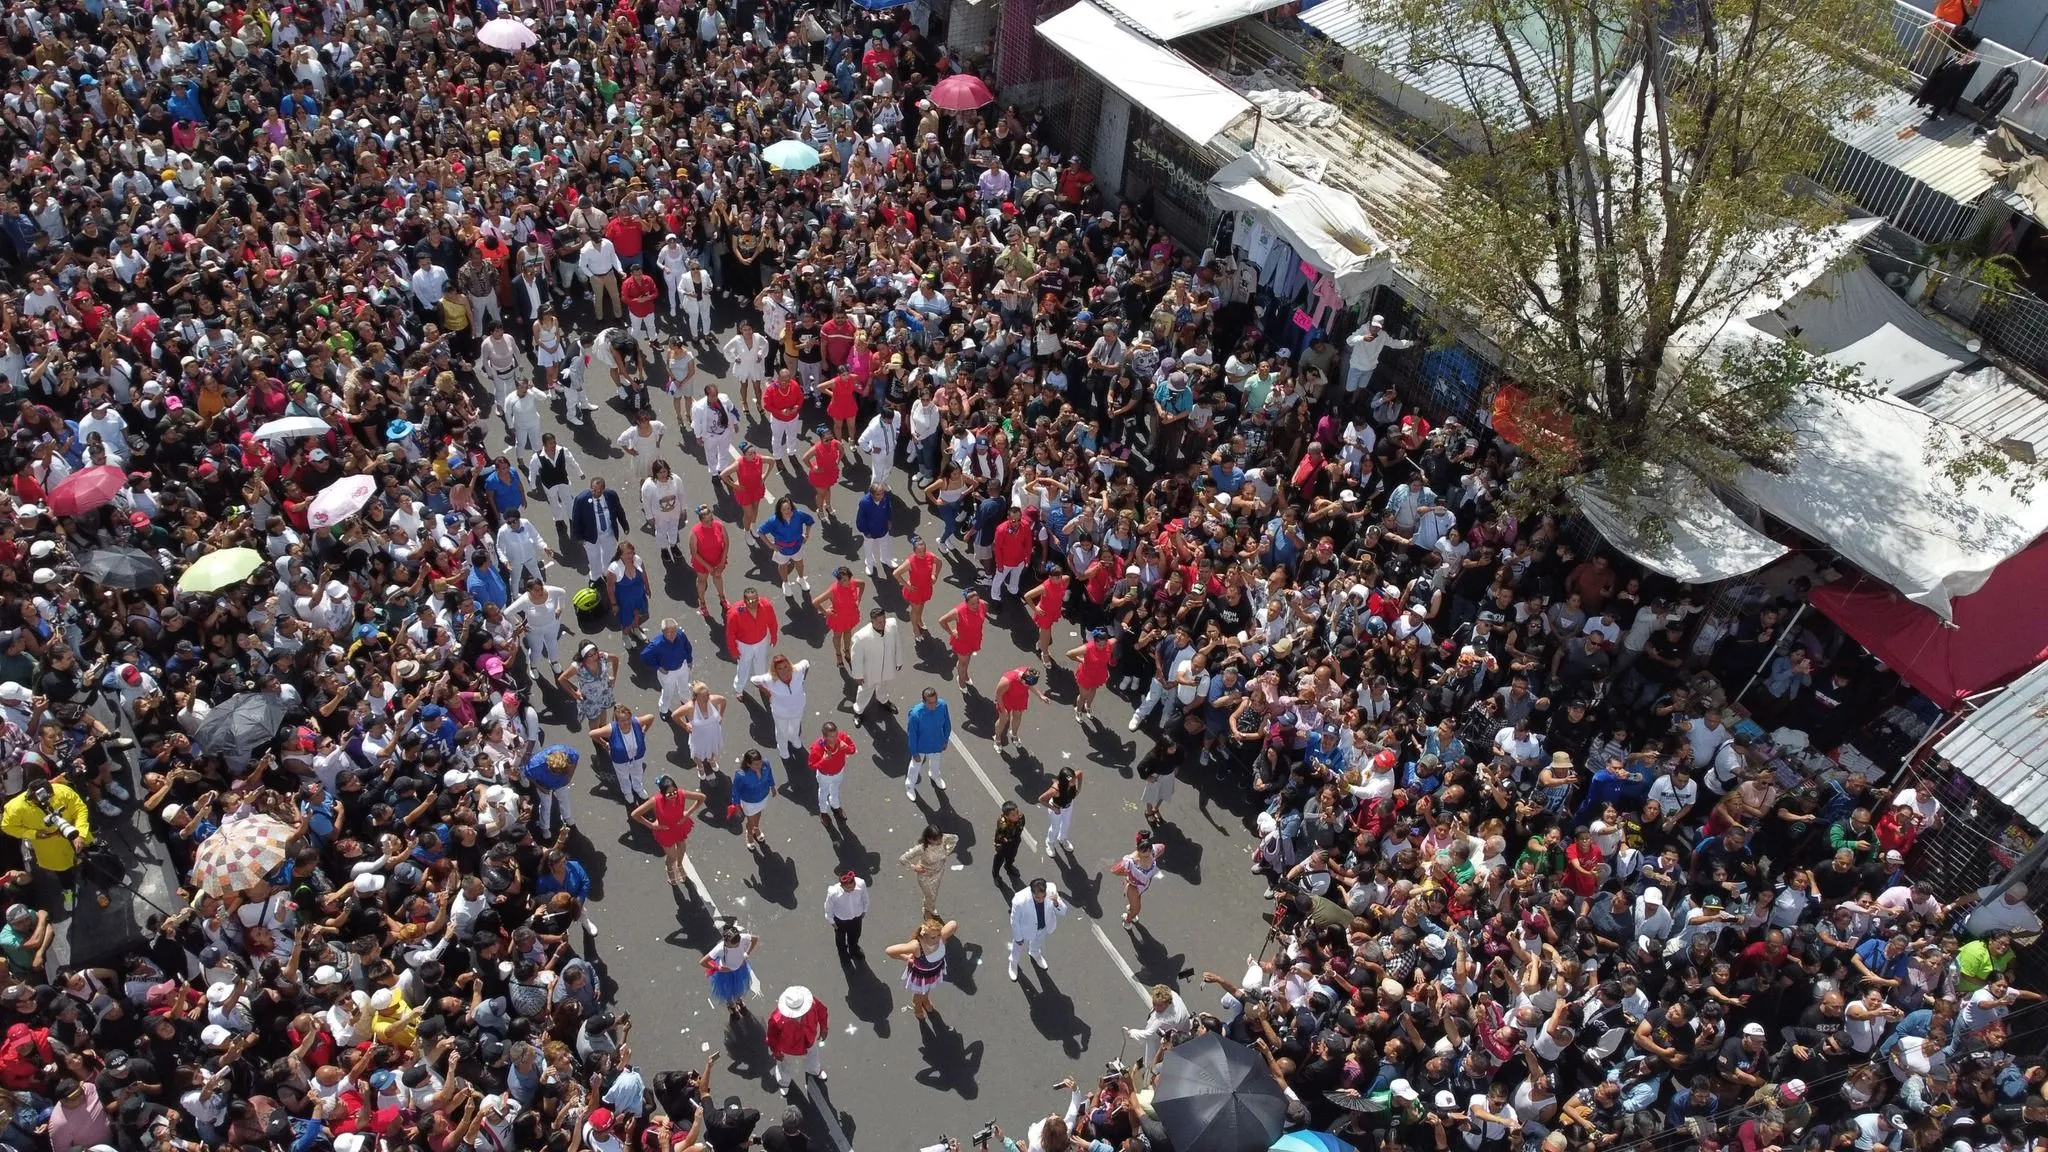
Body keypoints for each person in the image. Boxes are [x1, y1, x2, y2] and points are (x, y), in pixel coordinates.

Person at [2, 777, 92, 911]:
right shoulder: (14, 807)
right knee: (63, 872)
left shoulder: (62, 791)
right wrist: (34, 834)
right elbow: (7, 827)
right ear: (31, 795)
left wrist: (80, 833)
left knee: (90, 859)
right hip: (50, 848)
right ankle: (68, 891)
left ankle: (99, 879)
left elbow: (80, 809)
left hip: (76, 835)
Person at [631, 775, 706, 889]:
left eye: (674, 791)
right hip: (665, 831)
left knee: (682, 847)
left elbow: (701, 797)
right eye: (669, 793)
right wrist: (651, 825)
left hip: (679, 826)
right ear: (662, 793)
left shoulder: (681, 794)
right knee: (672, 856)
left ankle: (680, 865)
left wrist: (688, 813)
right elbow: (635, 814)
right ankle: (669, 868)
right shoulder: (655, 801)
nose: (673, 795)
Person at [884, 913, 960, 1024]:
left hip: (934, 972)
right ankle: (917, 1007)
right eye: (933, 937)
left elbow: (953, 924)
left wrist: (940, 932)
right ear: (923, 936)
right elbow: (889, 951)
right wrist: (906, 958)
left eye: (938, 935)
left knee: (927, 989)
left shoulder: (941, 938)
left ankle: (925, 999)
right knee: (918, 994)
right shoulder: (917, 946)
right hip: (921, 976)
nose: (937, 939)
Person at [752, 654, 813, 769]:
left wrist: (803, 679)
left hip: (798, 708)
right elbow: (754, 680)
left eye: (785, 666)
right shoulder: (770, 679)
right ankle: (783, 748)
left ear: (789, 665)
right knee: (781, 731)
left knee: (795, 726)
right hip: (781, 713)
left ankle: (794, 739)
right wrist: (767, 693)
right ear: (775, 671)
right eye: (779, 668)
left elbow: (806, 662)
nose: (784, 671)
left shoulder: (798, 671)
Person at [591, 705, 658, 805]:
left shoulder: (636, 722)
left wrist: (644, 731)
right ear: (617, 721)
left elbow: (651, 717)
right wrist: (604, 743)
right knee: (624, 777)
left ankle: (638, 788)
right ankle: (627, 792)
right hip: (620, 760)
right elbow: (592, 734)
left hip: (637, 756)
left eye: (628, 719)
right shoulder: (611, 729)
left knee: (638, 772)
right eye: (623, 720)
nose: (626, 722)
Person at [758, 497, 817, 602]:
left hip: (797, 545)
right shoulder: (773, 520)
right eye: (784, 509)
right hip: (782, 549)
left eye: (788, 508)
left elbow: (809, 521)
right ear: (779, 510)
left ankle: (801, 578)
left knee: (799, 563)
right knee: (783, 566)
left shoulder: (798, 515)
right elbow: (761, 531)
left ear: (791, 507)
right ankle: (785, 582)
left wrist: (807, 534)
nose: (787, 512)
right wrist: (770, 545)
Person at [1007, 879, 1068, 981]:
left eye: (1043, 896)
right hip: (1025, 930)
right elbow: (1014, 920)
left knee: (1038, 942)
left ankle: (1035, 953)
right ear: (1032, 893)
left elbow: (1063, 912)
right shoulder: (1019, 899)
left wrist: (1056, 903)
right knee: (1017, 948)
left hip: (1043, 927)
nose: (1041, 900)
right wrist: (1018, 937)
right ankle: (1013, 963)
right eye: (1037, 897)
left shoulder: (1051, 890)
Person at [849, 609, 905, 718]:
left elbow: (897, 642)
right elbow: (856, 658)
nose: (883, 624)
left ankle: (883, 700)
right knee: (865, 691)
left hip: (887, 666)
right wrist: (858, 675)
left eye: (884, 620)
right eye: (879, 622)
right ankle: (858, 711)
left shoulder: (892, 625)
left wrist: (899, 660)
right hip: (870, 671)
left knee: (883, 685)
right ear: (872, 621)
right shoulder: (861, 637)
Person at [726, 588, 782, 697]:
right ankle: (739, 689)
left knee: (761, 664)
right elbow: (730, 634)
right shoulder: (734, 613)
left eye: (756, 600)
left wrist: (774, 636)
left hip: (762, 641)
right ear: (744, 600)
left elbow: (772, 622)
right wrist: (734, 650)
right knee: (743, 668)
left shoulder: (766, 605)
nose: (754, 603)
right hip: (744, 645)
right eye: (750, 601)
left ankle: (761, 683)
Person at [571, 477, 631, 577]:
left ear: (603, 489)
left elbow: (619, 511)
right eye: (593, 490)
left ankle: (607, 572)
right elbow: (576, 519)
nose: (595, 493)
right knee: (594, 557)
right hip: (590, 535)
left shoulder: (611, 495)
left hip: (608, 533)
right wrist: (579, 537)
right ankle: (595, 576)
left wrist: (624, 525)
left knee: (610, 554)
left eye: (599, 491)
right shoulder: (581, 500)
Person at [813, 567, 866, 668]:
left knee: (848, 632)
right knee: (837, 636)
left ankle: (847, 650)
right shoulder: (833, 590)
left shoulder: (853, 583)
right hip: (838, 618)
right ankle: (838, 655)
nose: (844, 582)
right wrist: (825, 612)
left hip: (850, 614)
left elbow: (863, 583)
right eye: (841, 580)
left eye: (846, 579)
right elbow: (816, 602)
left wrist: (859, 599)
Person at [703, 922, 760, 1018]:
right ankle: (731, 1005)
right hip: (726, 974)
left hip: (739, 969)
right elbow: (703, 962)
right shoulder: (720, 948)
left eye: (738, 943)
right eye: (733, 944)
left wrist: (747, 953)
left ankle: (738, 1000)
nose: (736, 945)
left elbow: (755, 939)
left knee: (738, 987)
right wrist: (718, 968)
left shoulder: (742, 937)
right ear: (726, 941)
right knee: (728, 991)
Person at [900, 825, 960, 916]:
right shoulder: (921, 848)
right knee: (929, 894)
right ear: (929, 839)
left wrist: (947, 851)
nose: (940, 841)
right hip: (925, 876)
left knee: (934, 894)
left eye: (940, 838)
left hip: (938, 873)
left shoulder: (943, 838)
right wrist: (914, 867)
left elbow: (955, 838)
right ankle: (928, 908)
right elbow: (903, 859)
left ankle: (929, 907)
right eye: (936, 840)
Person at [906, 686, 953, 800]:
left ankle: (935, 775)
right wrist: (914, 752)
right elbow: (912, 734)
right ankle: (909, 786)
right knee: (915, 766)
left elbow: (947, 724)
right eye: (930, 703)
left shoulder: (942, 706)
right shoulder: (915, 714)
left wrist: (945, 740)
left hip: (937, 742)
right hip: (921, 746)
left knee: (936, 761)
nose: (933, 705)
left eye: (935, 702)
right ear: (923, 701)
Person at [642, 618, 697, 715]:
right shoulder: (656, 644)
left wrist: (689, 660)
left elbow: (687, 646)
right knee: (668, 692)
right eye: (669, 632)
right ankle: (663, 710)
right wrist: (658, 667)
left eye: (674, 631)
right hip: (667, 673)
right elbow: (644, 655)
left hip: (682, 666)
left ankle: (686, 701)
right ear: (663, 632)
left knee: (684, 686)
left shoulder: (680, 635)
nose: (672, 635)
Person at [939, 589, 989, 691]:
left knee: (968, 658)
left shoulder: (983, 604)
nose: (976, 605)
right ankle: (961, 681)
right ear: (966, 602)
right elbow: (942, 621)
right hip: (962, 642)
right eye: (972, 604)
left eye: (977, 602)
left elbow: (984, 611)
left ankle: (965, 676)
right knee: (963, 662)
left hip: (975, 638)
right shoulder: (958, 611)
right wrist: (951, 632)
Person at [689, 505, 735, 616]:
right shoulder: (695, 533)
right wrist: (708, 566)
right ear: (700, 521)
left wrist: (722, 560)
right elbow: (694, 553)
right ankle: (702, 603)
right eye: (706, 521)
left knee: (718, 577)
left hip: (717, 559)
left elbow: (726, 543)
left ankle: (722, 598)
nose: (710, 524)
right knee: (702, 581)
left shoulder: (719, 526)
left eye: (711, 520)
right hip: (702, 562)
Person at [809, 723, 856, 825]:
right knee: (823, 792)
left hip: (839, 772)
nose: (835, 738)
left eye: (836, 734)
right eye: (831, 736)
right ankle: (823, 812)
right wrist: (823, 760)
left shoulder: (842, 737)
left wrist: (846, 748)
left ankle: (835, 805)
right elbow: (812, 765)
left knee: (835, 789)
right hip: (825, 776)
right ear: (825, 736)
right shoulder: (817, 747)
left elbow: (852, 749)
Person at [1111, 836, 1165, 926]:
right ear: (1138, 851)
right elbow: (1114, 870)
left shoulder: (1152, 852)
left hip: (1143, 885)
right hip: (1133, 888)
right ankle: (1127, 920)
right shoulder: (1131, 862)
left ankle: (1131, 908)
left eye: (1149, 852)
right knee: (1136, 910)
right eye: (1144, 853)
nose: (1147, 856)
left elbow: (1162, 847)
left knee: (1136, 903)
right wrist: (1128, 874)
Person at [731, 751, 778, 851]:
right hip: (750, 802)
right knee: (750, 820)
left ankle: (756, 828)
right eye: (756, 764)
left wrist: (772, 786)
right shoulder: (741, 775)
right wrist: (737, 806)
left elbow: (769, 775)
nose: (759, 766)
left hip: (763, 797)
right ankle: (749, 834)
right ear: (748, 764)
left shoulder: (766, 764)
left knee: (758, 814)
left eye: (760, 762)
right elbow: (736, 790)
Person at [1022, 565, 1069, 665]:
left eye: (1060, 576)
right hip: (1045, 614)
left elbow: (1067, 579)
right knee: (1046, 636)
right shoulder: (1044, 587)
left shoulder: (1064, 580)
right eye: (1057, 577)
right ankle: (1045, 653)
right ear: (1050, 577)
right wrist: (1035, 608)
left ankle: (1041, 644)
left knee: (1045, 633)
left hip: (1054, 610)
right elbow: (1027, 596)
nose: (1059, 579)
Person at [641, 459, 687, 562]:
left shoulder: (676, 480)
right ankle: (664, 549)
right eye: (660, 472)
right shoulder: (648, 485)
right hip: (659, 516)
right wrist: (650, 517)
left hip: (674, 513)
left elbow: (681, 495)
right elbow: (646, 503)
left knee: (674, 529)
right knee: (661, 532)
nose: (663, 475)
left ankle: (673, 545)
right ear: (655, 473)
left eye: (664, 471)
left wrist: (683, 509)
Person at [993, 666, 1048, 751]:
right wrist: (1003, 709)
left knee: (1018, 716)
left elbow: (1030, 686)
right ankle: (997, 739)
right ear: (1022, 678)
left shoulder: (1027, 678)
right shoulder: (1008, 680)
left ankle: (1014, 735)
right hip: (1006, 699)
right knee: (1003, 720)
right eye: (1026, 684)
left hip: (1020, 697)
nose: (1027, 686)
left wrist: (1040, 695)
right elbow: (998, 694)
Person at [895, 535, 941, 635]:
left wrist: (935, 575)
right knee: (915, 610)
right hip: (915, 590)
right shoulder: (910, 562)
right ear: (914, 552)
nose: (923, 554)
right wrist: (907, 586)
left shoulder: (930, 556)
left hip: (926, 587)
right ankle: (915, 628)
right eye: (919, 552)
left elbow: (939, 562)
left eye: (924, 550)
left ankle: (919, 620)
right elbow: (896, 573)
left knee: (922, 605)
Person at [1067, 628, 1115, 721]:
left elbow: (1116, 640)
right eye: (1099, 644)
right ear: (1094, 641)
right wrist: (1080, 660)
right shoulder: (1087, 648)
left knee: (1093, 690)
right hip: (1086, 675)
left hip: (1099, 674)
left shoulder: (1109, 643)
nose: (1102, 647)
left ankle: (1088, 706)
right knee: (1083, 696)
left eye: (1104, 644)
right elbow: (1069, 654)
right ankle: (1078, 710)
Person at [824, 870, 871, 964]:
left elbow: (865, 898)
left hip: (856, 918)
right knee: (840, 939)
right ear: (841, 885)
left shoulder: (861, 884)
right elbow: (828, 907)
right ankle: (843, 954)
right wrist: (831, 921)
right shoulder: (833, 892)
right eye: (847, 888)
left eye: (852, 886)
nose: (850, 889)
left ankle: (854, 949)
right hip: (841, 920)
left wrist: (864, 910)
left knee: (855, 935)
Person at [801, 428, 845, 523]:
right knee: (821, 494)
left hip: (831, 472)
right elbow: (805, 458)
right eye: (826, 440)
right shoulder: (816, 448)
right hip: (820, 475)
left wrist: (838, 461)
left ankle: (828, 506)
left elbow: (842, 450)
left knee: (828, 489)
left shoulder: (835, 443)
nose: (829, 441)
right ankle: (820, 511)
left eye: (830, 439)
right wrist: (813, 468)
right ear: (821, 439)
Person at [1039, 768, 1083, 860]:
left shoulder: (1073, 778)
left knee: (1066, 824)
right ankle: (1049, 843)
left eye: (1074, 779)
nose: (1074, 782)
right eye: (1072, 781)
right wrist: (1053, 808)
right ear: (1064, 781)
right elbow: (1041, 799)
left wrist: (1079, 789)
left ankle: (1062, 838)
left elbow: (1080, 773)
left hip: (1068, 806)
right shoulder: (1055, 790)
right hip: (1057, 809)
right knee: (1055, 828)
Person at [855, 483, 896, 575]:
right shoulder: (864, 503)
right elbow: (860, 519)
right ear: (872, 494)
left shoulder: (885, 498)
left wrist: (889, 520)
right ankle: (869, 563)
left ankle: (885, 559)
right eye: (878, 494)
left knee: (885, 544)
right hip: (870, 531)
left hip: (883, 528)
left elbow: (888, 509)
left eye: (882, 493)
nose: (881, 496)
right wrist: (866, 532)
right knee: (868, 548)